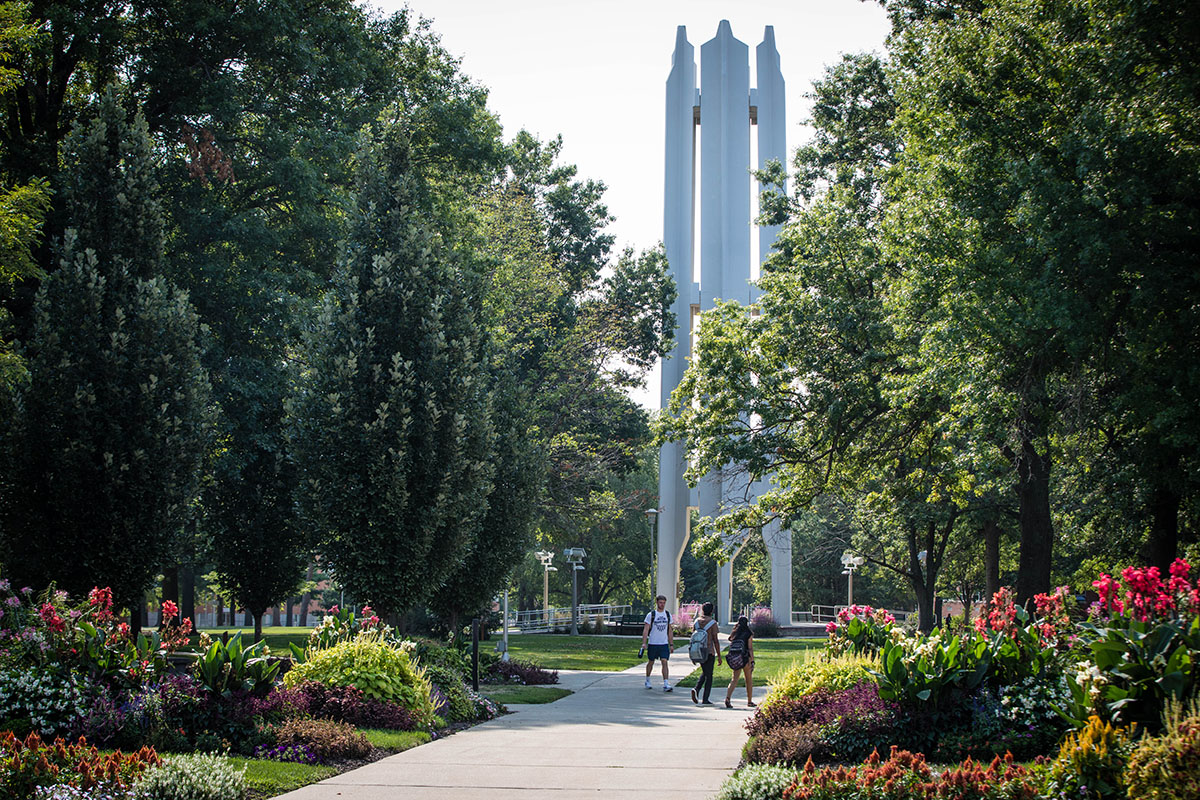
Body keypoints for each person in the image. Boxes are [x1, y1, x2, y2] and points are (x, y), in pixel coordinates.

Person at [690, 601, 722, 705]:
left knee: (705, 672)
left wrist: (692, 656)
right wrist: (719, 656)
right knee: (709, 675)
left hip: (698, 651)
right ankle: (704, 697)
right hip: (709, 651)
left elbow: (692, 639)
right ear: (712, 611)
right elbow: (715, 640)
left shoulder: (696, 622)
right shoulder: (712, 623)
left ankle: (696, 690)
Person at [641, 594, 674, 691]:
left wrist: (671, 644)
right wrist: (644, 642)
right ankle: (647, 679)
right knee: (651, 662)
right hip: (653, 643)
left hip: (663, 643)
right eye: (660, 603)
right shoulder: (651, 615)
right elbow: (646, 629)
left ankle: (666, 683)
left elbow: (670, 630)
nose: (662, 605)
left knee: (664, 661)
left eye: (664, 603)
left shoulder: (667, 615)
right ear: (657, 603)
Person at [723, 614, 755, 708]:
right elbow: (750, 648)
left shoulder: (734, 633)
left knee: (734, 680)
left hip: (736, 658)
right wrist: (752, 661)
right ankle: (749, 701)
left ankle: (728, 698)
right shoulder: (748, 633)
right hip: (746, 659)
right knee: (748, 680)